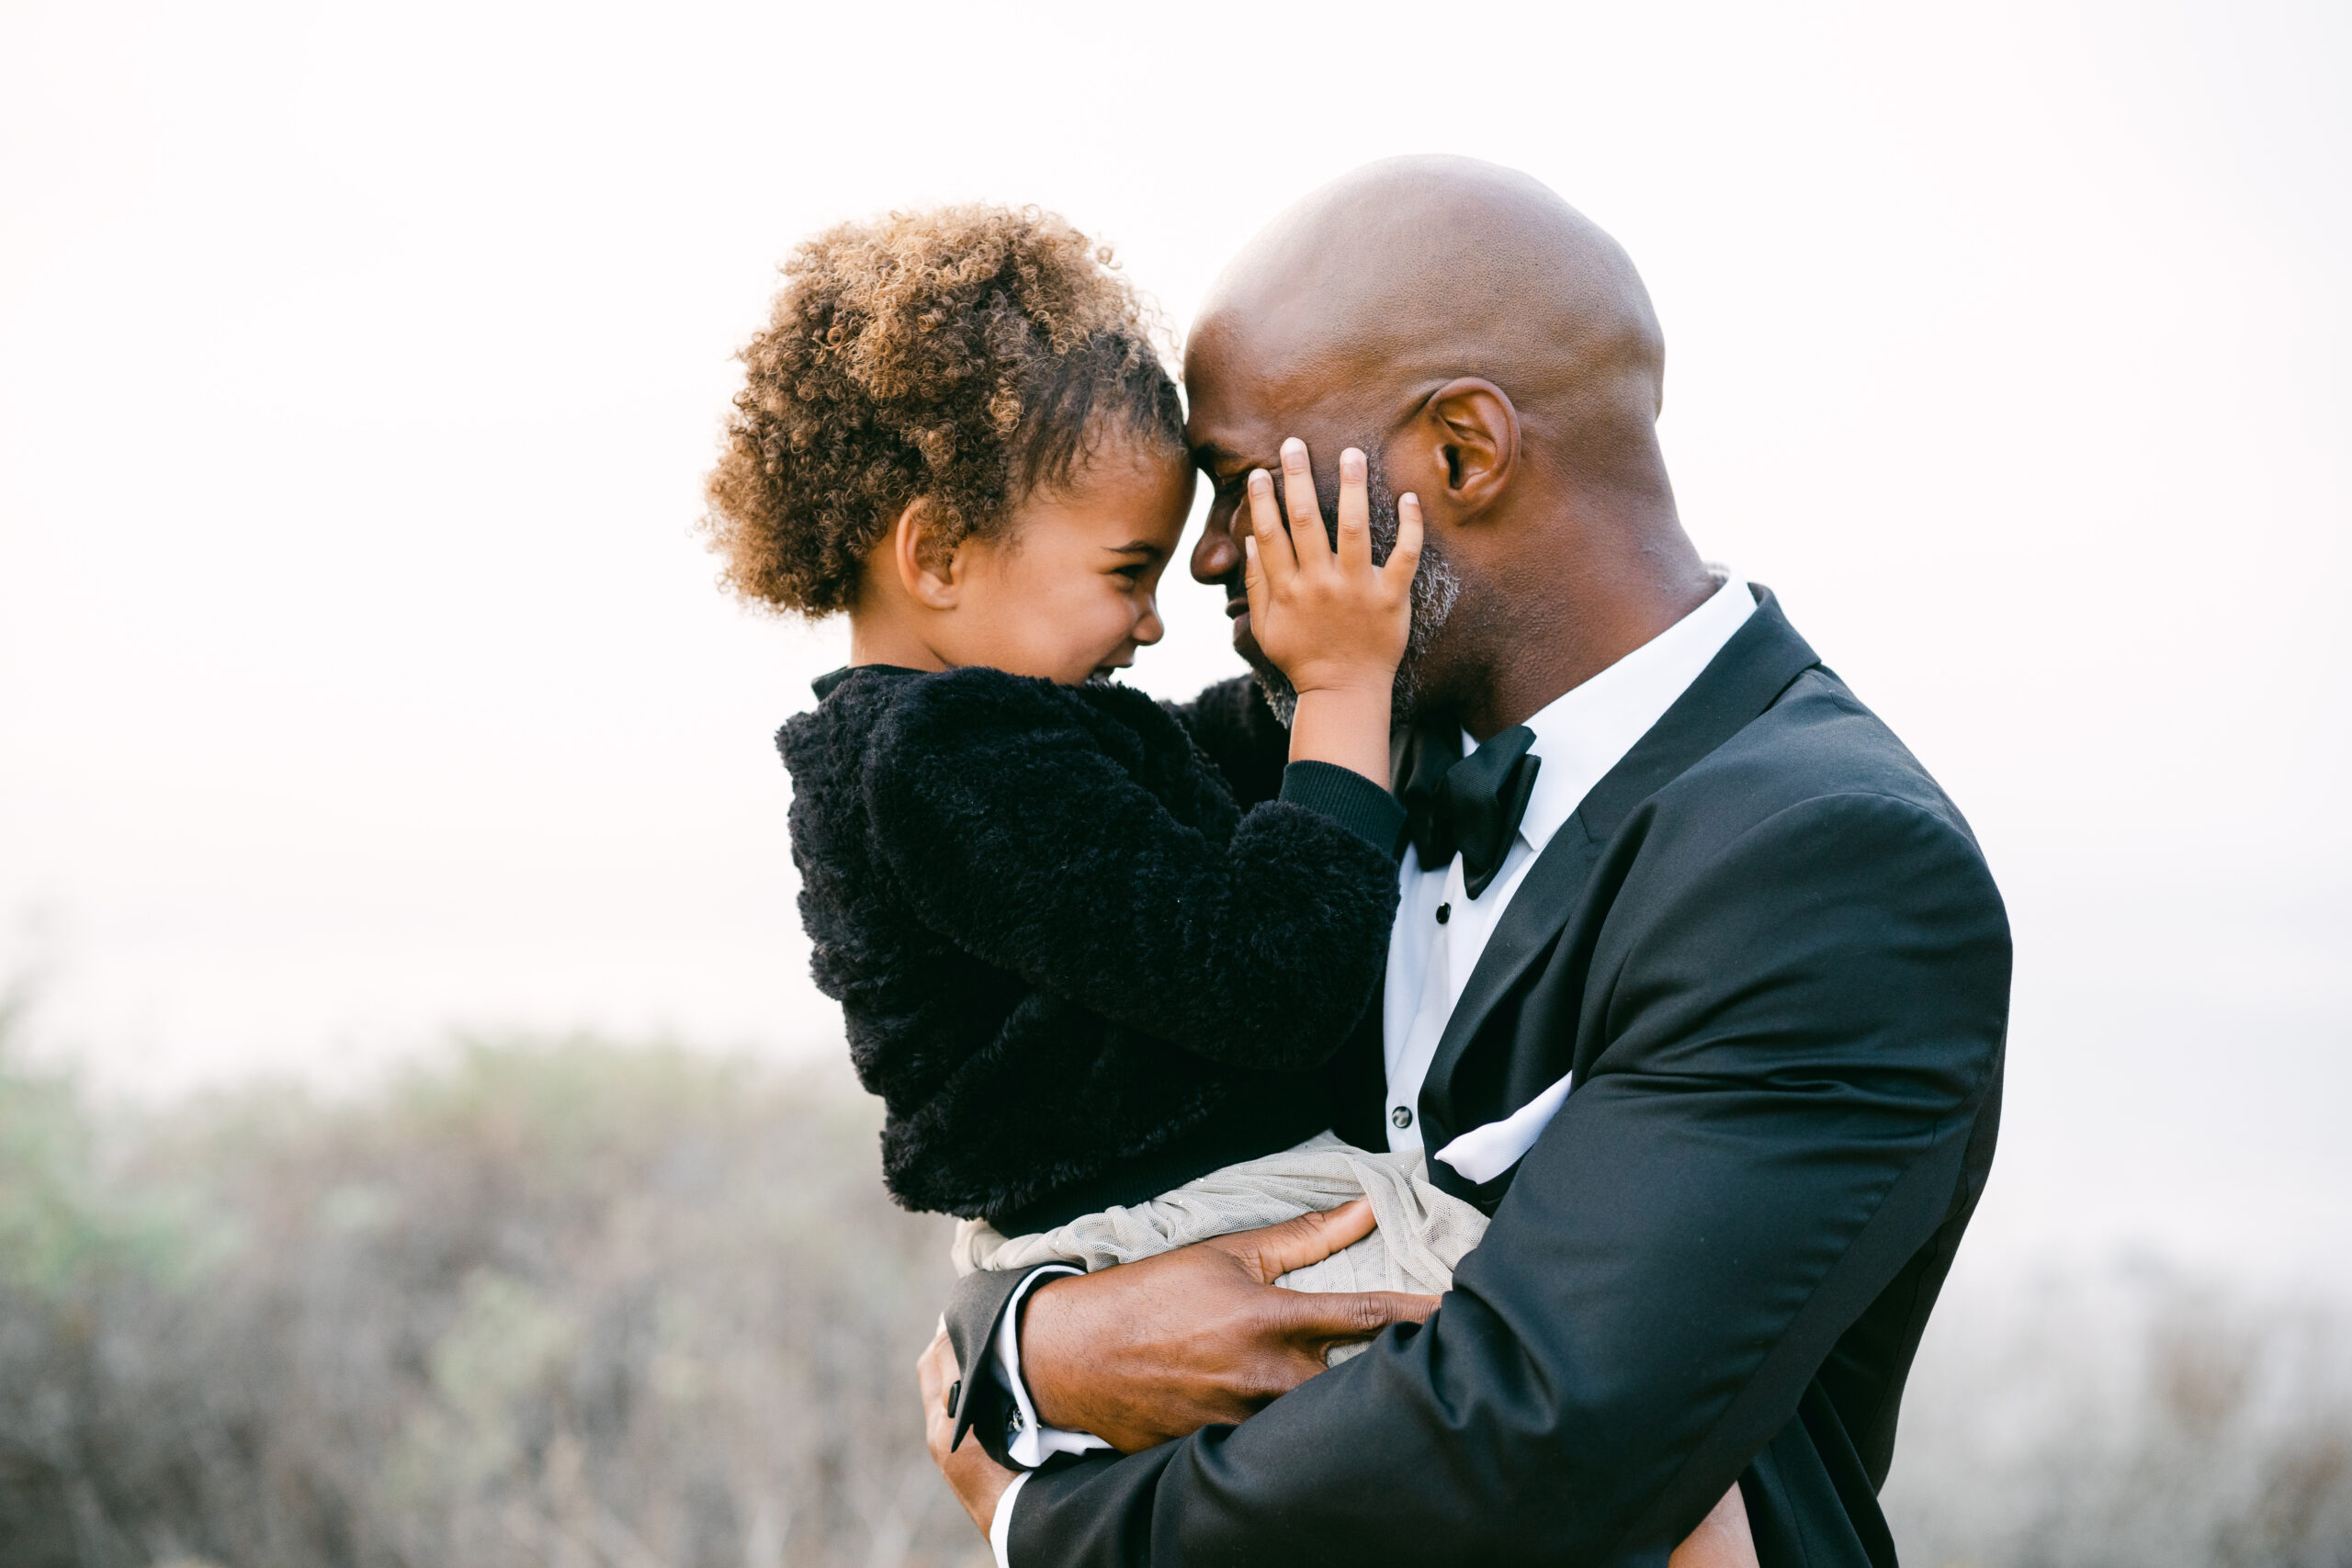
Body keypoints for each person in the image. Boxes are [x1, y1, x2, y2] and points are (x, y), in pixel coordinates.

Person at [920, 157, 2012, 1568]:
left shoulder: (1831, 866)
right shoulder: (1328, 774)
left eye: (1244, 481)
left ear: (1460, 455)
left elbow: (1536, 1432)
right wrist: (1030, 1340)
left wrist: (1043, 1522)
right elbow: (1062, 1164)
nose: (1201, 564)